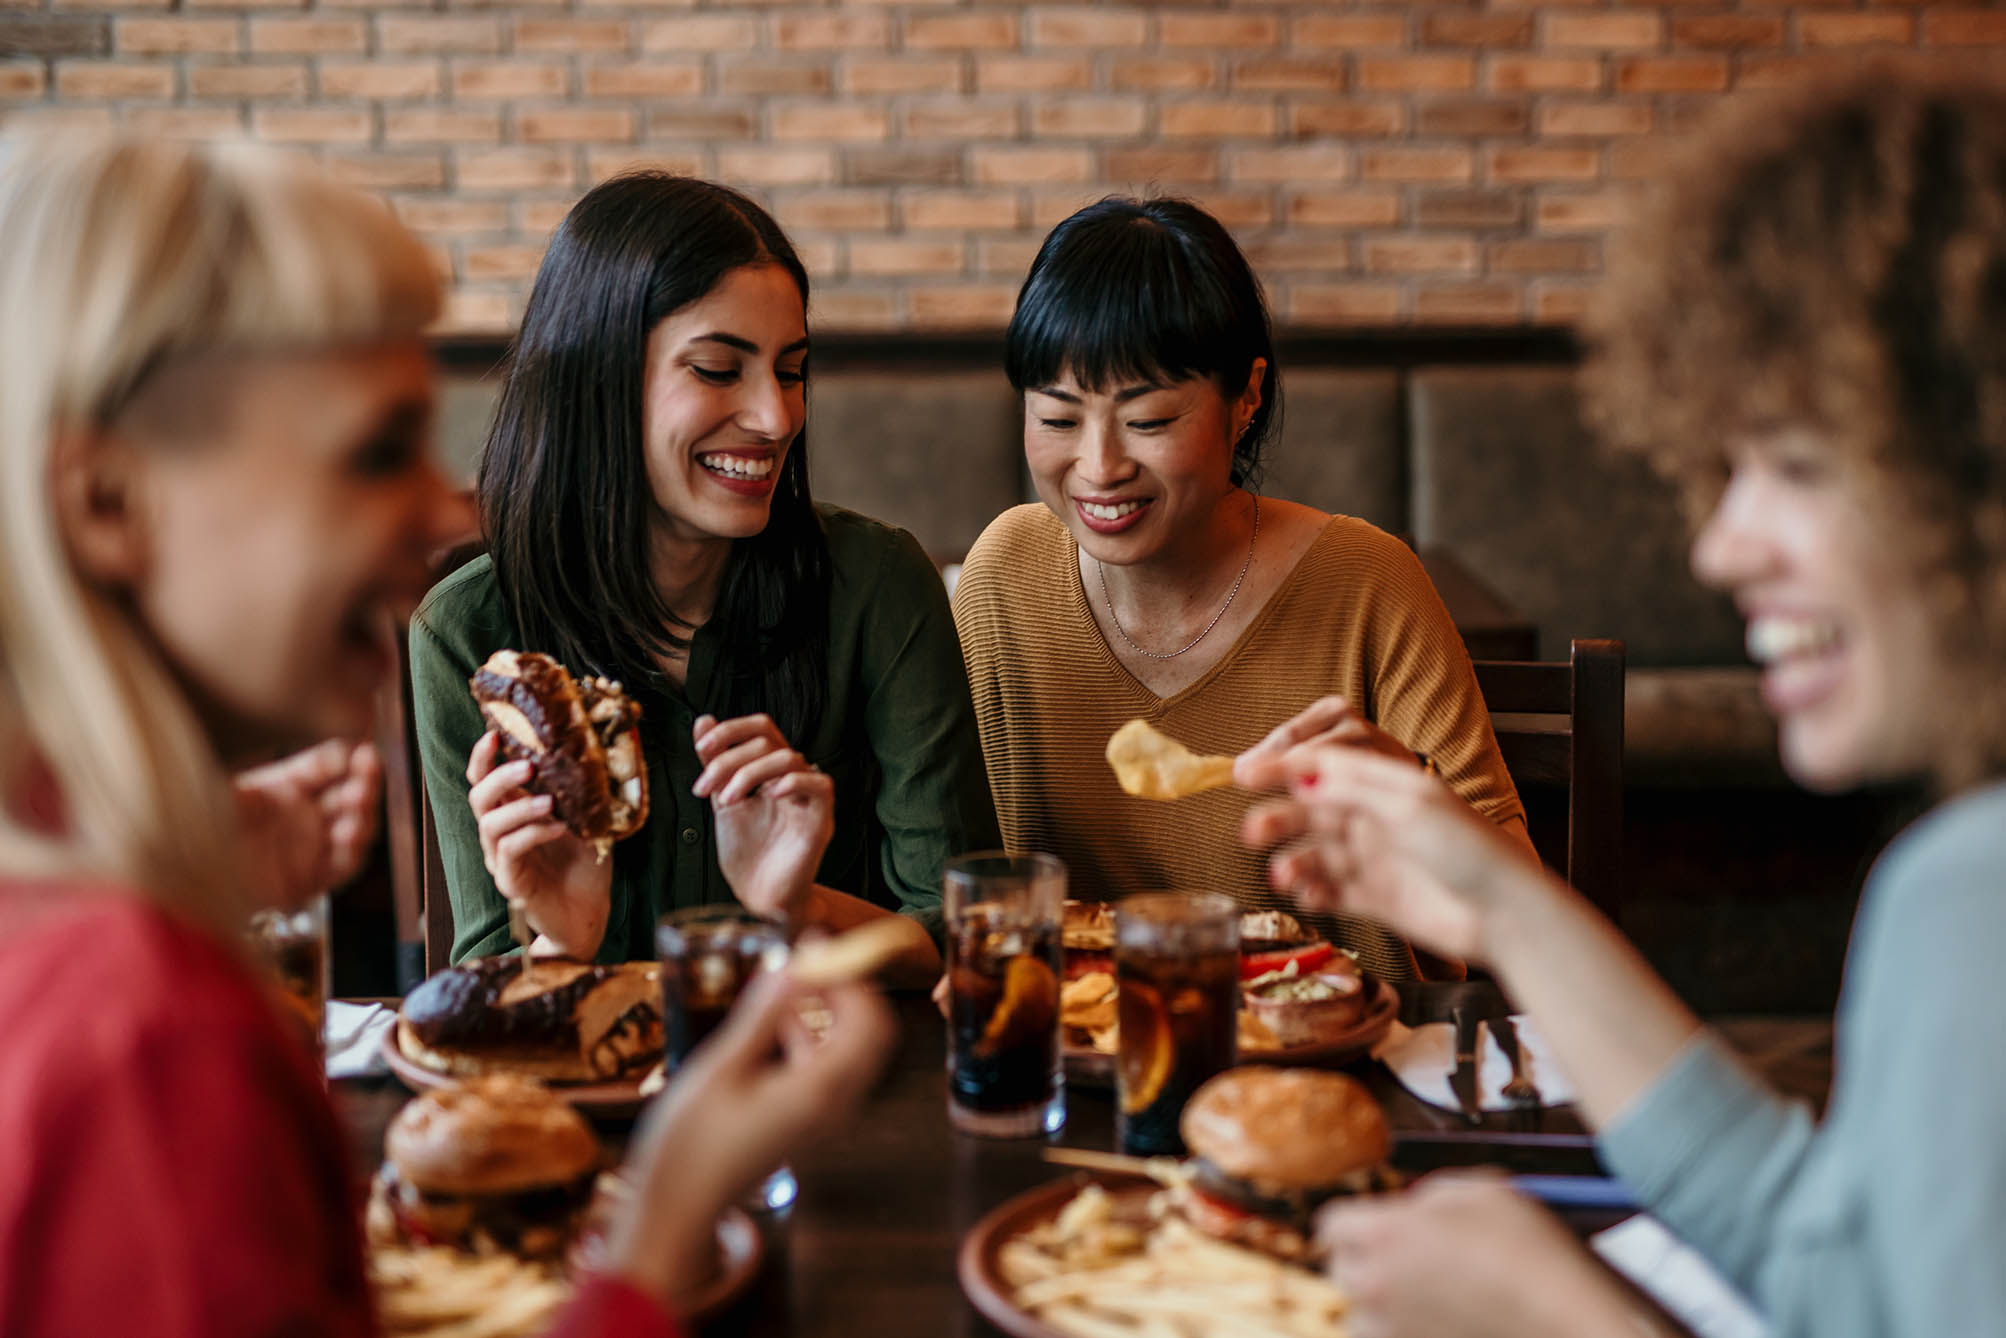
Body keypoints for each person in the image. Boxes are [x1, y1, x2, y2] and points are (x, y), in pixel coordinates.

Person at [0, 135, 895, 1338]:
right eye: (376, 452)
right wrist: (665, 1223)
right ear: (105, 504)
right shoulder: (151, 1036)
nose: (436, 508)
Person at [1240, 73, 2006, 1337]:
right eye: (1727, 465)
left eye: (1799, 467)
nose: (1718, 548)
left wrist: (1549, 1313)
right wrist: (1496, 898)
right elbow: (1819, 1248)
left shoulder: (1969, 893)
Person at [410, 174, 997, 984]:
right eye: (720, 369)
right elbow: (485, 977)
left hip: (837, 1086)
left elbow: (966, 935)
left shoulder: (877, 586)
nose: (777, 417)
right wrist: (566, 941)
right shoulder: (467, 633)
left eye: (791, 371)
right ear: (599, 379)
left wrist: (800, 910)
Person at [953, 197, 1532, 980]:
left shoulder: (1367, 582)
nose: (1099, 466)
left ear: (1246, 397)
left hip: (1335, 1067)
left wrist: (1408, 802)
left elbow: (1523, 912)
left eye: (1149, 420)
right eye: (1058, 420)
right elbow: (953, 875)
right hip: (1076, 1074)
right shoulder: (1004, 577)